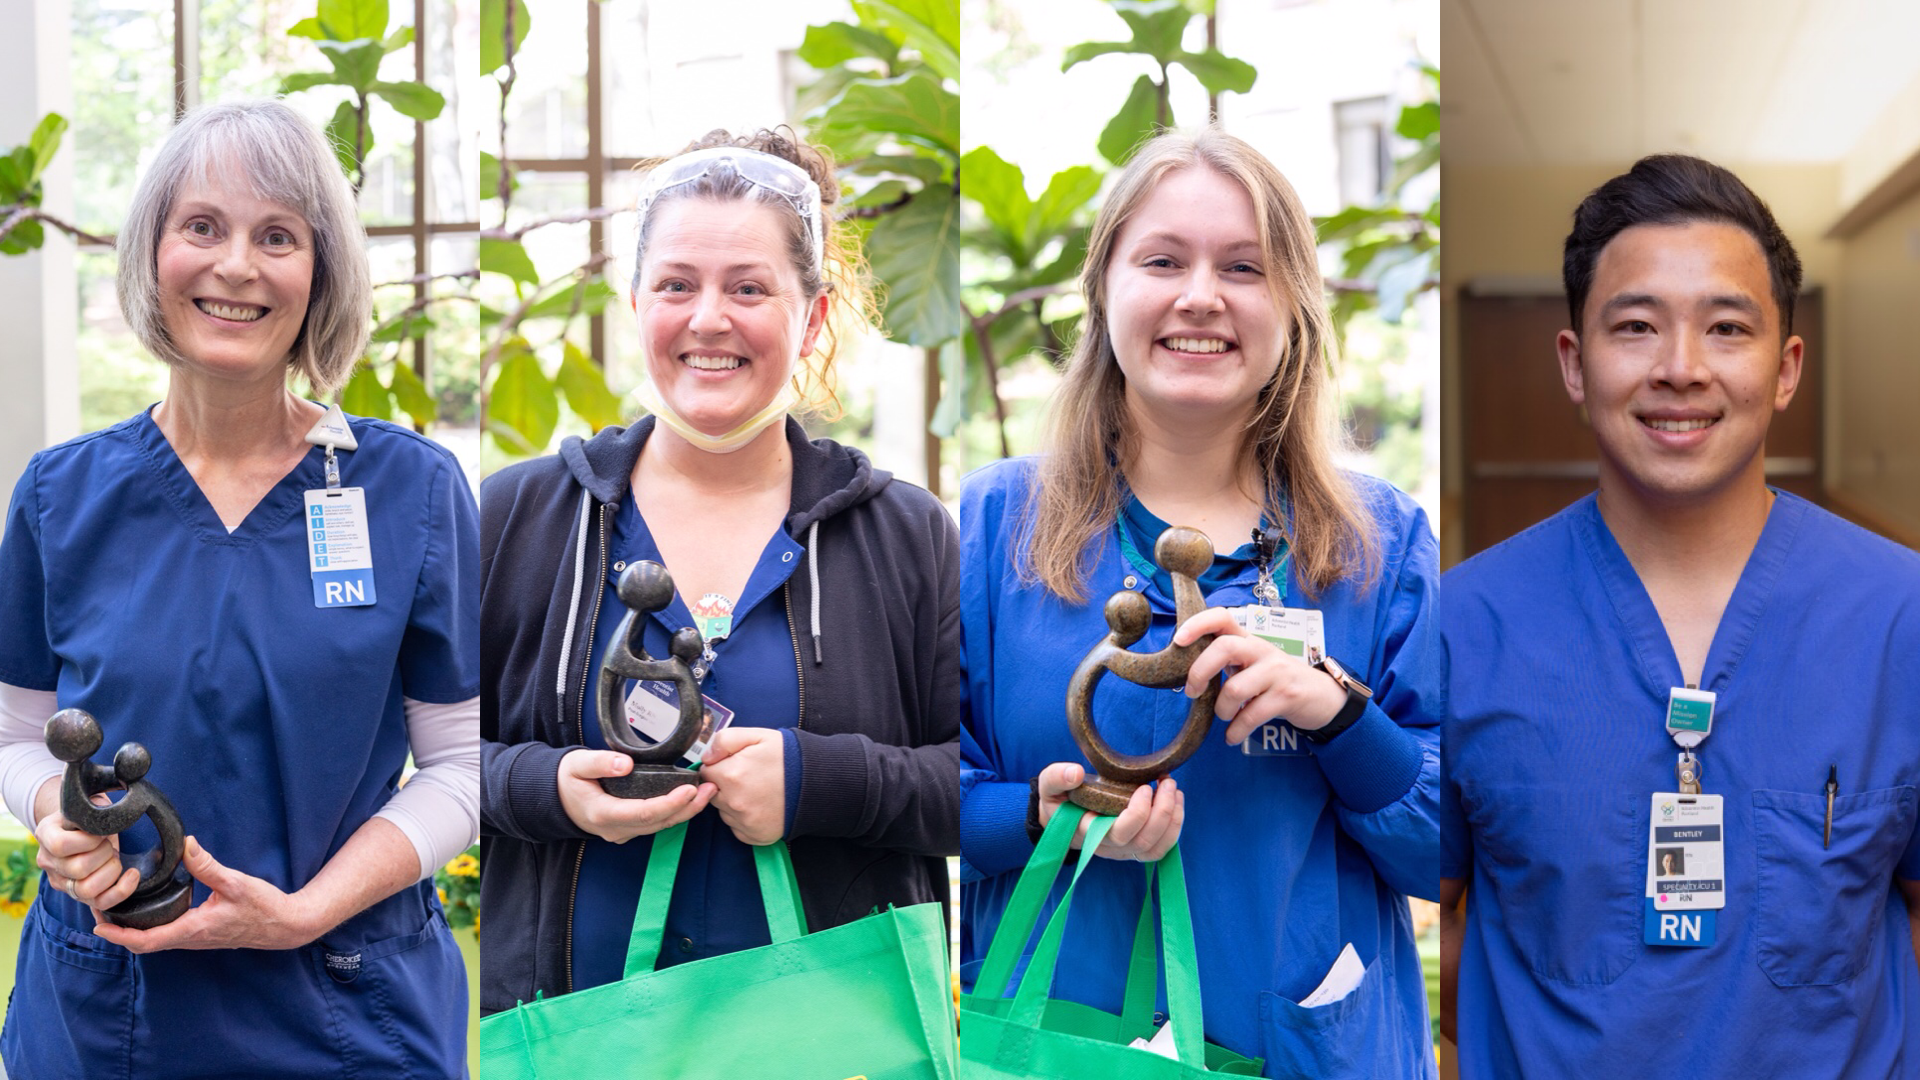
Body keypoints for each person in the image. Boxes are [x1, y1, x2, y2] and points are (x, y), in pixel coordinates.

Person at [0, 100, 479, 1077]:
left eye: (278, 236)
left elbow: (463, 764)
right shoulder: (61, 496)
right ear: (152, 253)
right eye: (202, 226)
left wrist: (306, 912)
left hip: (351, 999)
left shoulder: (412, 492)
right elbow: (12, 729)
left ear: (320, 275)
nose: (237, 266)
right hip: (111, 1010)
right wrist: (60, 809)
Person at [959, 128, 1440, 1079]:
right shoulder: (990, 523)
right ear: (1104, 291)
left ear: (1293, 306)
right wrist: (1033, 816)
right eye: (1163, 260)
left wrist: (1341, 717)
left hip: (1301, 1044)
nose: (1200, 297)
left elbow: (1452, 851)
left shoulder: (1382, 544)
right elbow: (916, 790)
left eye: (1245, 267)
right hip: (1053, 1039)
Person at [1441, 154, 1920, 1077]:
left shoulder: (1901, 618)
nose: (1680, 369)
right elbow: (1445, 927)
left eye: (1726, 327)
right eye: (1636, 326)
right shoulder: (1467, 625)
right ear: (1576, 366)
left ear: (1785, 370)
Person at [478, 130, 959, 1012]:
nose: (708, 319)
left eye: (748, 288)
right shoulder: (519, 519)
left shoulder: (906, 534)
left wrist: (822, 781)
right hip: (578, 1039)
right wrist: (543, 788)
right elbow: (435, 764)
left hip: (834, 1046)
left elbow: (975, 786)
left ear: (811, 316)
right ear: (634, 303)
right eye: (676, 285)